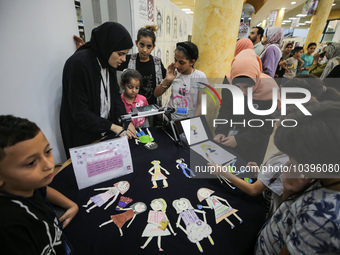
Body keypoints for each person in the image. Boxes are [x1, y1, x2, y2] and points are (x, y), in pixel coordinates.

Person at [255, 101, 340, 255]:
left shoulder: (324, 219)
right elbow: (286, 215)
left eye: (293, 155)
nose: (289, 161)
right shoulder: (326, 177)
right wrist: (289, 191)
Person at [0, 115, 79, 254]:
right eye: (31, 163)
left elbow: (45, 190)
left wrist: (71, 205)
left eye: (48, 151)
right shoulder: (9, 228)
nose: (49, 165)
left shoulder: (27, 186)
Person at [60, 22, 136, 158]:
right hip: (84, 139)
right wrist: (112, 126)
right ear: (108, 47)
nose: (123, 59)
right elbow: (80, 113)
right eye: (120, 54)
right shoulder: (79, 64)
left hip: (103, 133)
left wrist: (126, 120)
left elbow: (114, 95)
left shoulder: (108, 62)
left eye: (125, 54)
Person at [214, 49, 280, 165]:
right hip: (232, 134)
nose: (242, 92)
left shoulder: (270, 90)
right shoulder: (229, 81)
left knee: (247, 173)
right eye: (237, 87)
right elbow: (226, 109)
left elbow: (266, 126)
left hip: (254, 140)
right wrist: (221, 131)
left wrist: (240, 140)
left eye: (248, 87)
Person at [154, 41, 208, 120]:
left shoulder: (200, 76)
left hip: (189, 121)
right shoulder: (174, 74)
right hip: (170, 120)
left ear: (192, 62)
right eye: (175, 60)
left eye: (181, 62)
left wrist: (194, 122)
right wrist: (167, 80)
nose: (176, 65)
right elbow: (156, 94)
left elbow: (202, 104)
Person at [118, 25, 166, 107]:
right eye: (142, 45)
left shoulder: (157, 63)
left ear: (153, 47)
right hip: (132, 107)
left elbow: (166, 78)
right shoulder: (128, 59)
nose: (144, 50)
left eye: (149, 46)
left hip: (152, 107)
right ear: (136, 43)